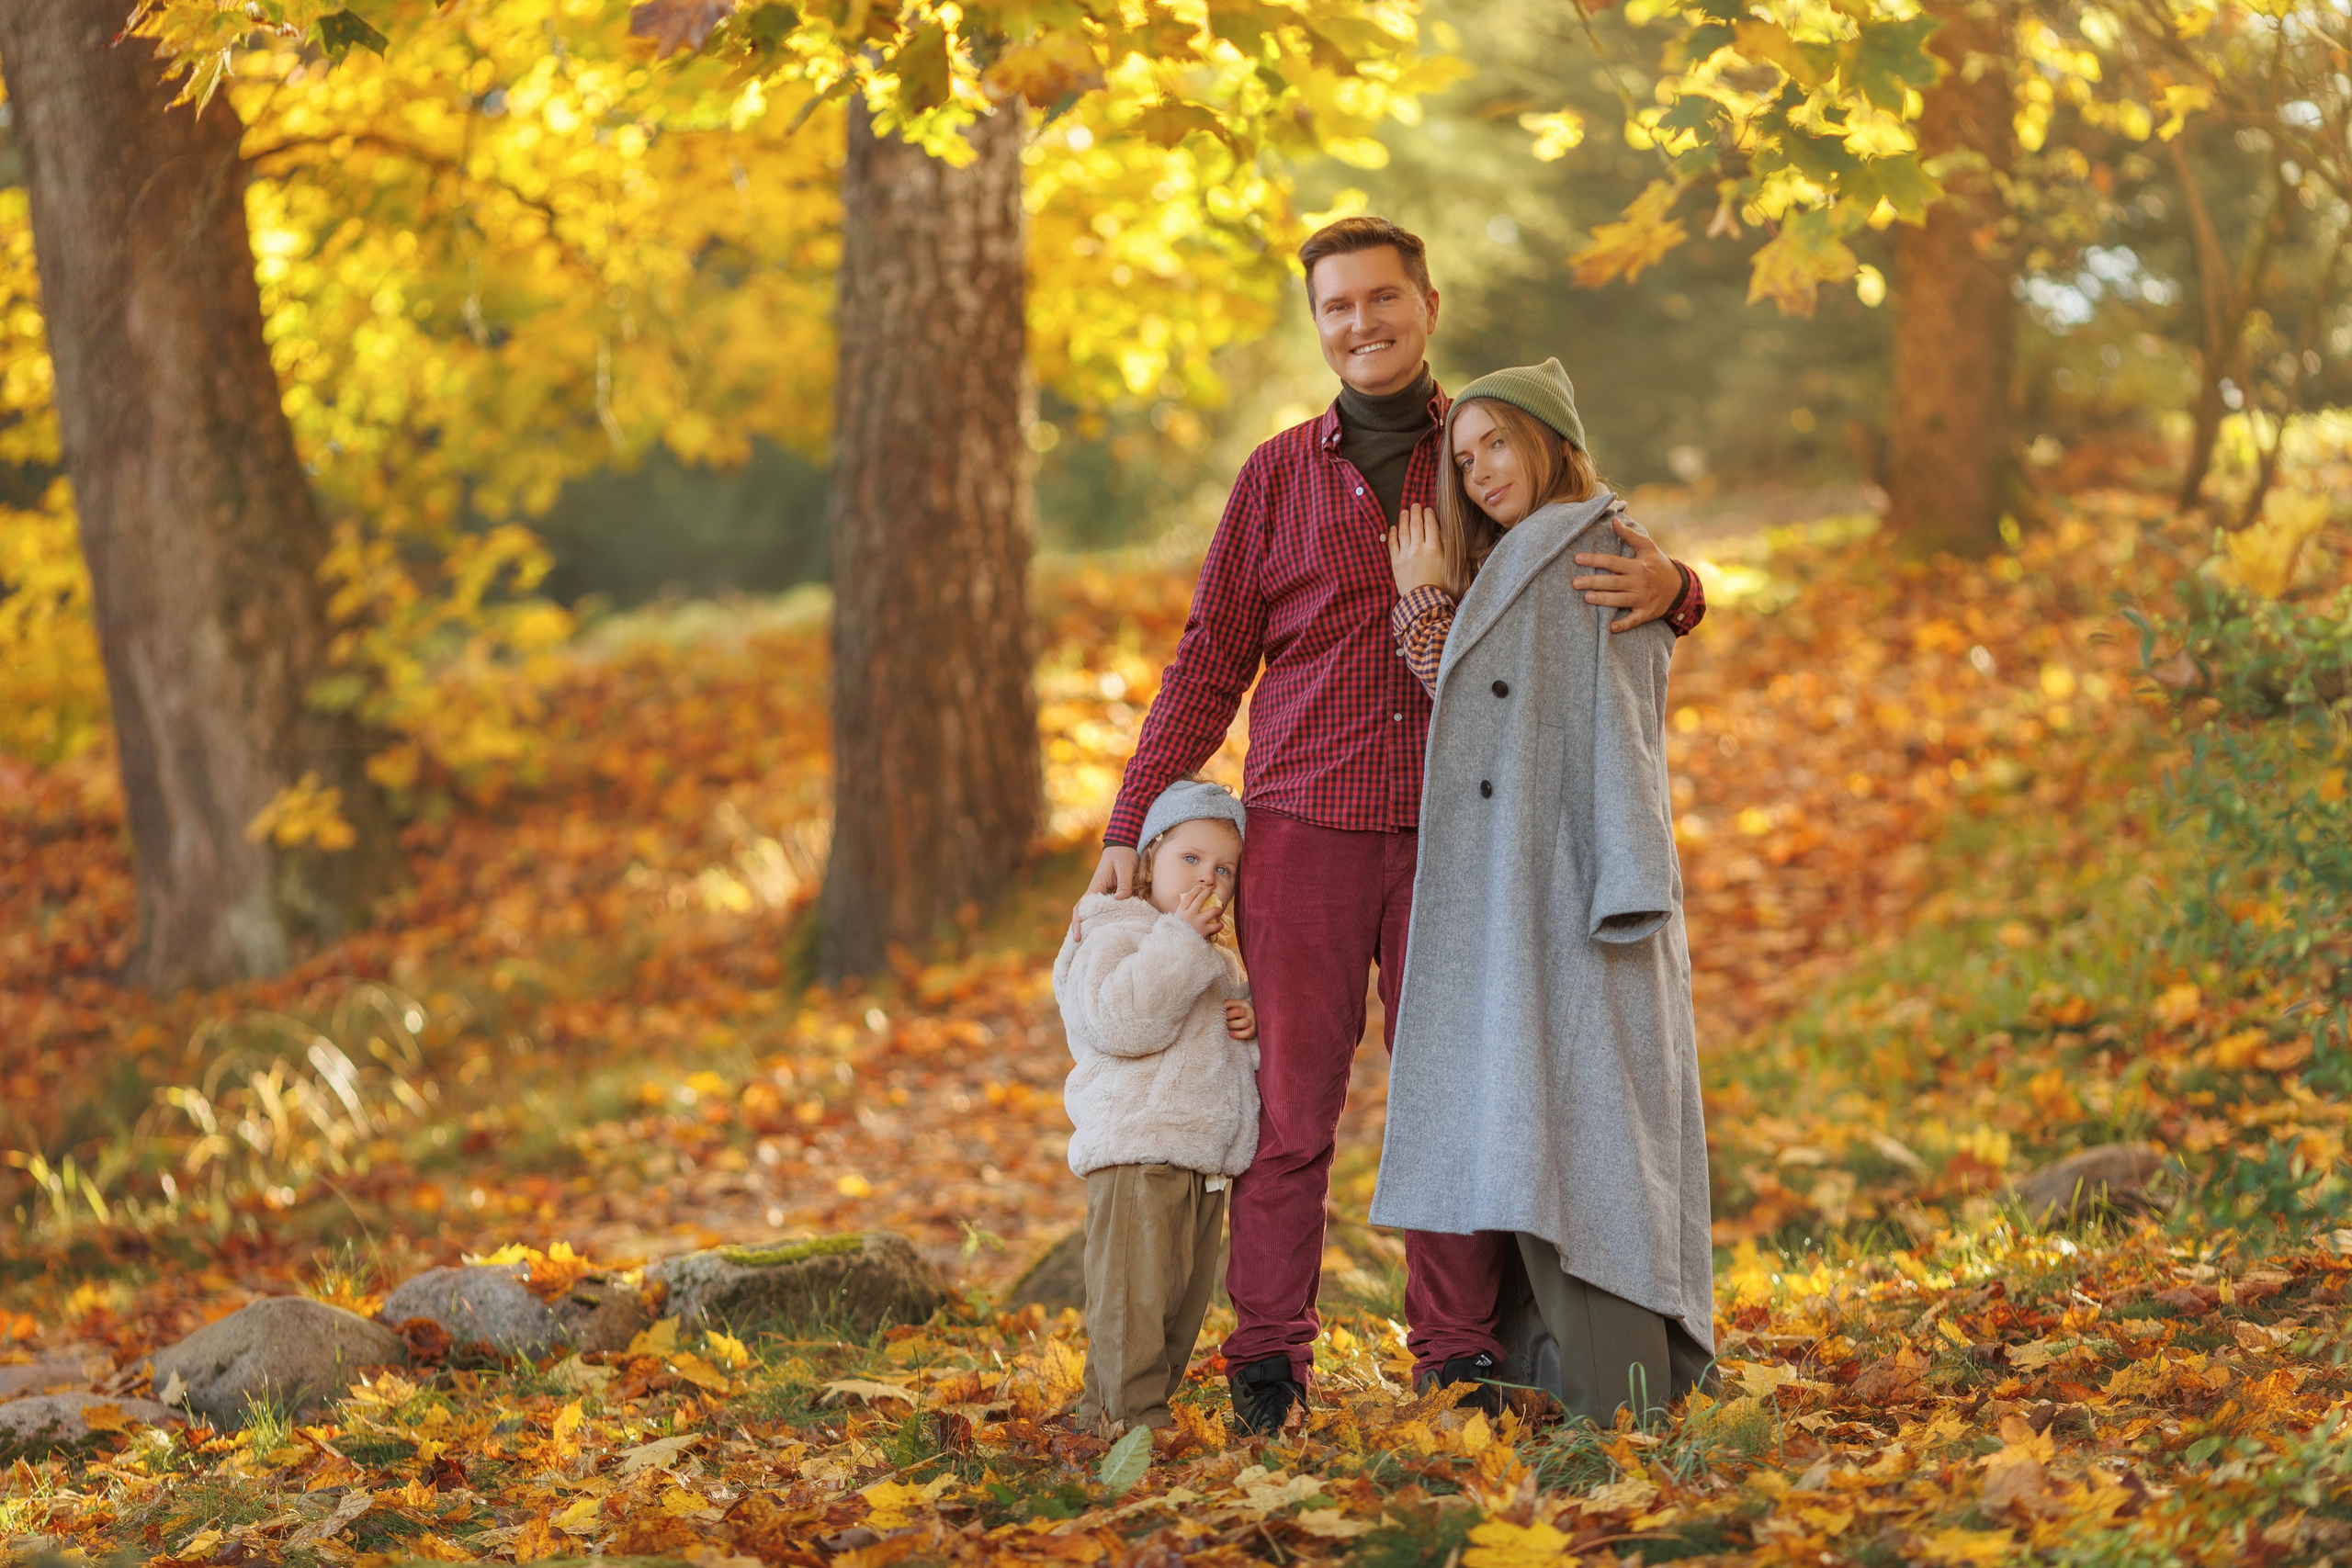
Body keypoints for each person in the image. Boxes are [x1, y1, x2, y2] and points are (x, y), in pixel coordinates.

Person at [1080, 216, 1709, 1435]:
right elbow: (1209, 657)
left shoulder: (1484, 448)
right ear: (1317, 323)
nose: (1360, 322)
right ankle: (1268, 1363)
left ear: (1427, 305)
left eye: (1382, 298)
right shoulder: (1275, 475)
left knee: (1459, 1092)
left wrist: (1680, 587)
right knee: (1288, 1113)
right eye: (1337, 306)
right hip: (1302, 830)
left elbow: (1587, 542)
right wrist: (1131, 816)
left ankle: (1457, 1355)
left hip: (1462, 839)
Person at [1372, 360, 1715, 1426]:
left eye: (1497, 445)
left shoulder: (1582, 548)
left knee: (1577, 1122)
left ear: (1548, 439)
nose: (1479, 472)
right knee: (1557, 1122)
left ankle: (1621, 1404)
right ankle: (1588, 1391)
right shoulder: (1549, 549)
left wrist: (1422, 605)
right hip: (1550, 885)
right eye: (1463, 458)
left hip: (1574, 893)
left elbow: (1507, 701)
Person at [1056, 779, 1261, 1436]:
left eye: (1224, 869)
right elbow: (1124, 1020)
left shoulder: (1215, 955)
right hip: (1136, 1149)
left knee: (1176, 1307)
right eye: (1190, 858)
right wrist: (1179, 941)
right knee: (1132, 1302)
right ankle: (1133, 1422)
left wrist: (1250, 1028)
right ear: (1148, 859)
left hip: (1199, 1155)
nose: (1207, 878)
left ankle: (1107, 1420)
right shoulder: (1113, 928)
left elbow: (1214, 1054)